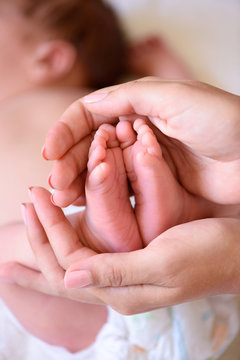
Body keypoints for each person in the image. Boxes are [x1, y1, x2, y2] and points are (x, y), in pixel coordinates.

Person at [1, 78, 240, 359]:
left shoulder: (52, 101)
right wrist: (169, 67)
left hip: (192, 275)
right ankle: (168, 222)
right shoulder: (121, 101)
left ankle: (96, 240)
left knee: (12, 256)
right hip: (202, 287)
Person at [0, 0, 128, 354]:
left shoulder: (94, 108)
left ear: (50, 59)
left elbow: (192, 128)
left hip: (99, 288)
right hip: (41, 300)